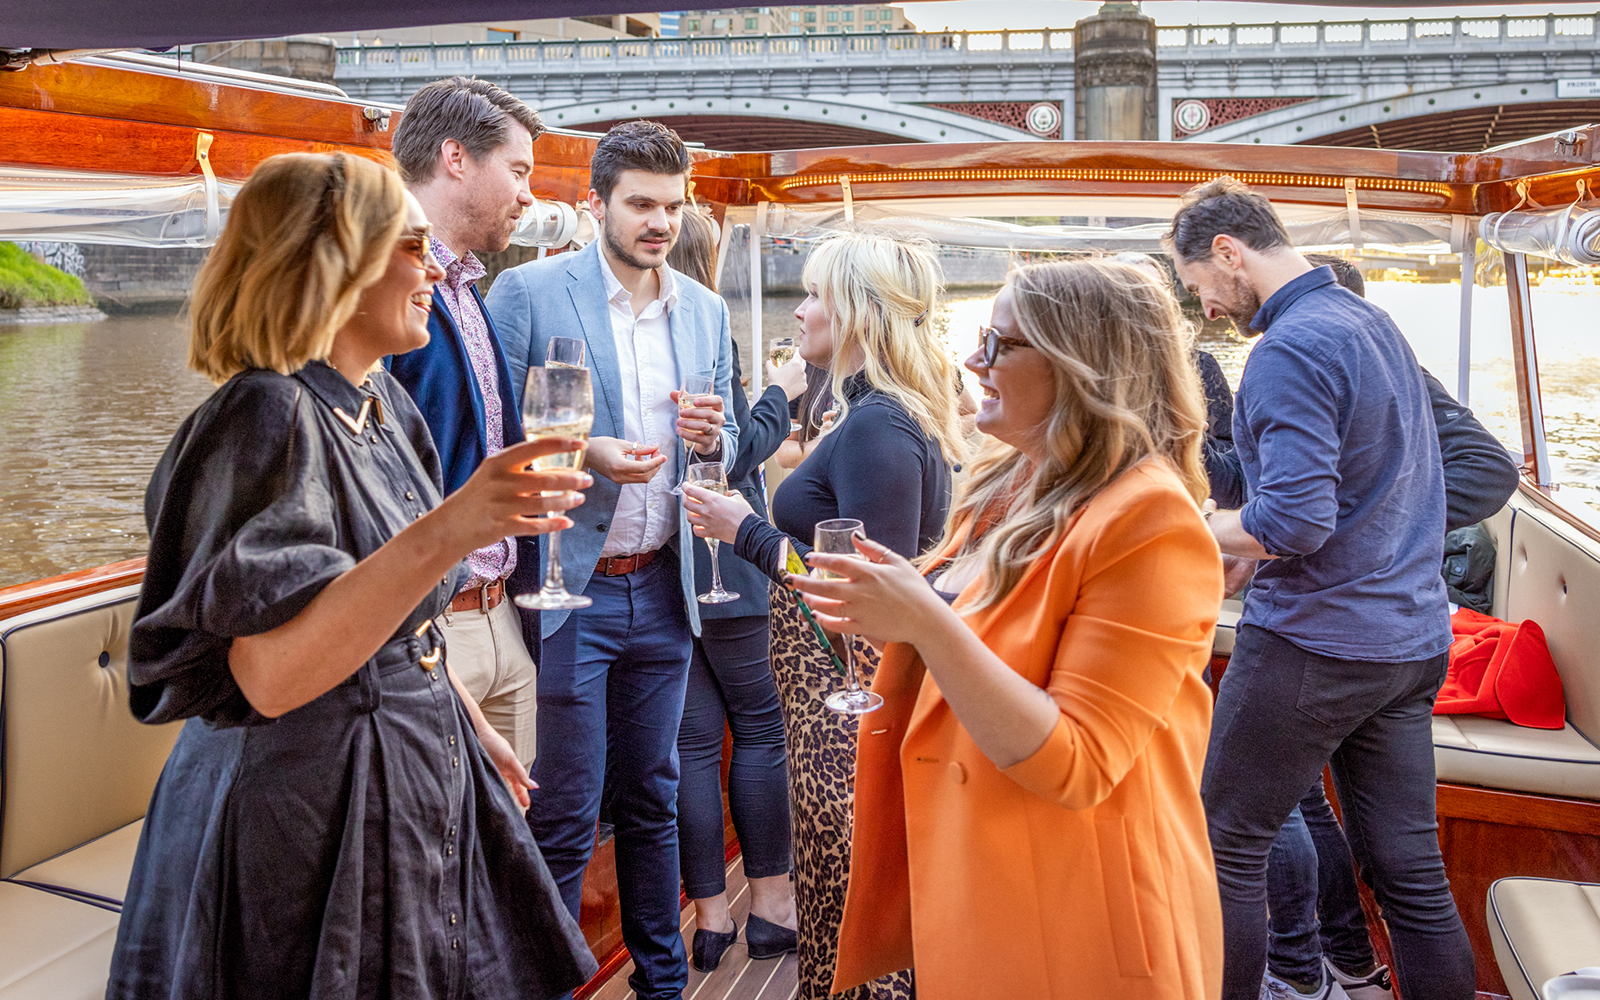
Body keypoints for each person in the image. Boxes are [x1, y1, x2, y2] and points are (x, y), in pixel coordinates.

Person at [109, 152, 597, 999]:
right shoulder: (263, 414)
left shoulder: (381, 406)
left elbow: (389, 620)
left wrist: (460, 713)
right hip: (304, 821)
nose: (434, 266)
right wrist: (457, 527)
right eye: (411, 245)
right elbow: (269, 675)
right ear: (334, 261)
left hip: (394, 779)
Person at [783, 257, 1225, 999]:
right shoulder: (1008, 484)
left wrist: (923, 621)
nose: (971, 361)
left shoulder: (1152, 521)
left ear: (1080, 367)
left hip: (1076, 916)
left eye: (999, 346)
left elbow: (1077, 763)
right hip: (981, 879)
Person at [1166, 176, 1475, 1000]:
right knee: (1411, 876)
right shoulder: (1370, 322)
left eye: (1201, 288)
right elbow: (1373, 491)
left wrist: (1185, 533)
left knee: (1224, 839)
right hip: (1411, 646)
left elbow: (1294, 523)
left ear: (1229, 254)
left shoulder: (1289, 348)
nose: (1208, 312)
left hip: (1319, 644)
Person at [484, 120, 738, 1000]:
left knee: (653, 802)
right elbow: (495, 429)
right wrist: (582, 452)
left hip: (666, 591)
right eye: (640, 204)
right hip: (566, 591)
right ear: (597, 204)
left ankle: (661, 986)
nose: (659, 222)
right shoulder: (526, 293)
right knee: (560, 814)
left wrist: (717, 439)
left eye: (672, 206)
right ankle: (554, 986)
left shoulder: (704, 308)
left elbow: (729, 433)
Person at [683, 230, 964, 1000]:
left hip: (849, 696)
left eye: (813, 295)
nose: (800, 310)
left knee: (847, 871)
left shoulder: (879, 427)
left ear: (859, 313)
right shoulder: (878, 413)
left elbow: (871, 590)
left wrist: (743, 529)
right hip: (828, 693)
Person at [1257, 253, 1519, 1000]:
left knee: (1250, 822)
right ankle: (1344, 960)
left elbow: (1489, 471)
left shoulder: (1370, 369)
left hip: (1341, 633)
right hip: (1398, 637)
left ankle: (1307, 970)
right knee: (1407, 871)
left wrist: (1373, 531)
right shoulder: (1349, 371)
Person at [386, 76, 544, 769]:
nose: (529, 194)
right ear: (457, 158)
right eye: (518, 170)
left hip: (499, 613)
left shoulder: (467, 289)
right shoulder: (387, 291)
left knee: (511, 851)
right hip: (428, 625)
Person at [666, 205, 806, 971]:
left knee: (690, 747)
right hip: (727, 566)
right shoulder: (704, 324)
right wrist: (781, 390)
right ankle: (773, 907)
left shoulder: (651, 336)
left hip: (666, 575)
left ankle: (709, 919)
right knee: (760, 730)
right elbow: (739, 449)